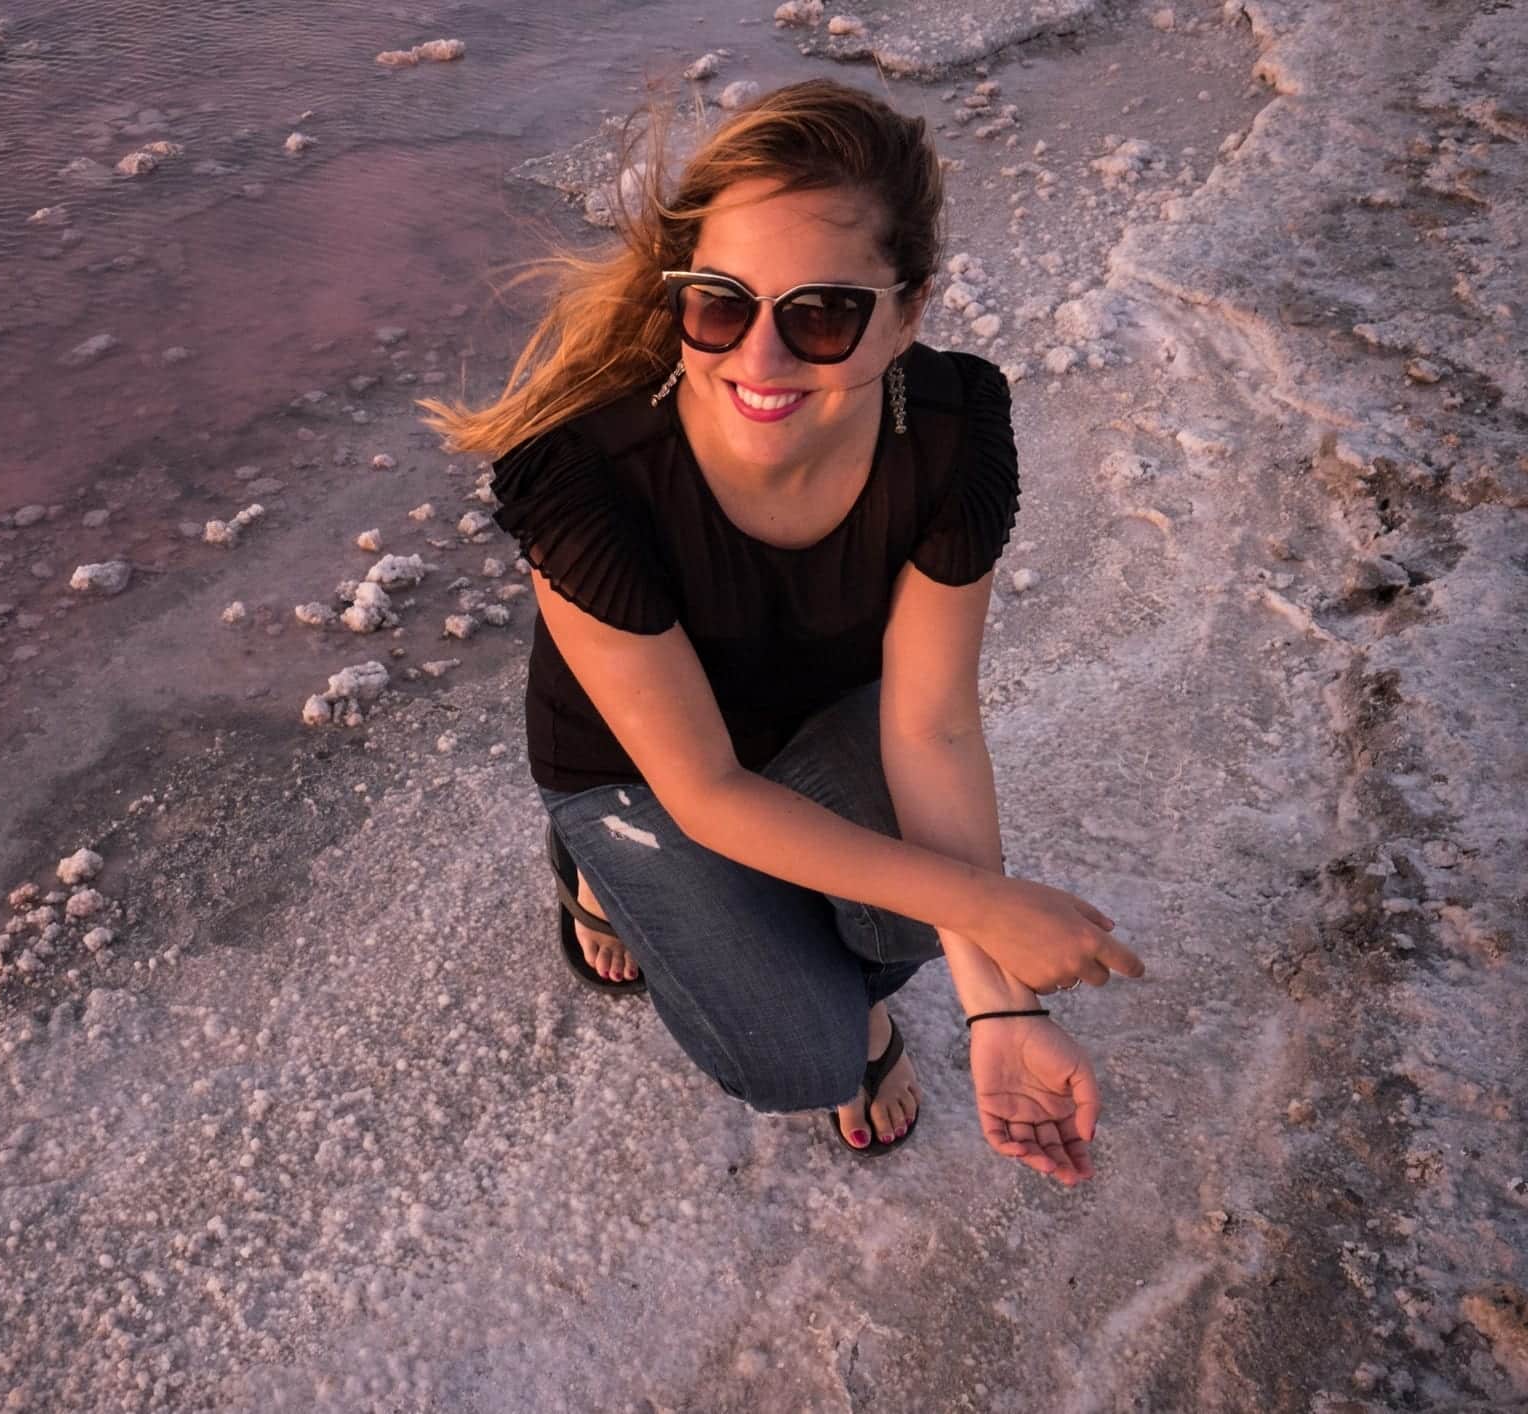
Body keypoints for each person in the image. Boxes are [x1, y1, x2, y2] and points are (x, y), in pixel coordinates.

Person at [417, 79, 1144, 1186]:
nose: (759, 360)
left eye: (820, 314)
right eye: (719, 302)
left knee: (898, 924)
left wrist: (997, 1003)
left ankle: (802, 931)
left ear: (907, 311)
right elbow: (702, 785)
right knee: (799, 1051)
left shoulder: (948, 438)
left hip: (818, 721)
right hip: (643, 770)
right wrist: (985, 906)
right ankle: (592, 870)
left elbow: (933, 728)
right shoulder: (580, 469)